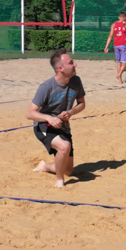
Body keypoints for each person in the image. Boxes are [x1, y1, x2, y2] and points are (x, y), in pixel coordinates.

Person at [27, 49, 86, 187]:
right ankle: (59, 181)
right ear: (61, 68)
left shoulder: (76, 81)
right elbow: (30, 113)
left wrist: (71, 113)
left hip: (63, 126)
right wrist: (48, 118)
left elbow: (82, 104)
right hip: (44, 125)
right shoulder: (47, 87)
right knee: (64, 146)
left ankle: (45, 166)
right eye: (71, 63)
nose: (75, 64)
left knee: (68, 170)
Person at [103, 11, 126, 85]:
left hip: (116, 45)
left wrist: (106, 46)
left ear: (119, 17)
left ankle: (120, 80)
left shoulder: (114, 24)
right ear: (125, 18)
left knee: (118, 62)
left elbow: (110, 36)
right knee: (125, 63)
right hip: (123, 45)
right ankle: (119, 75)